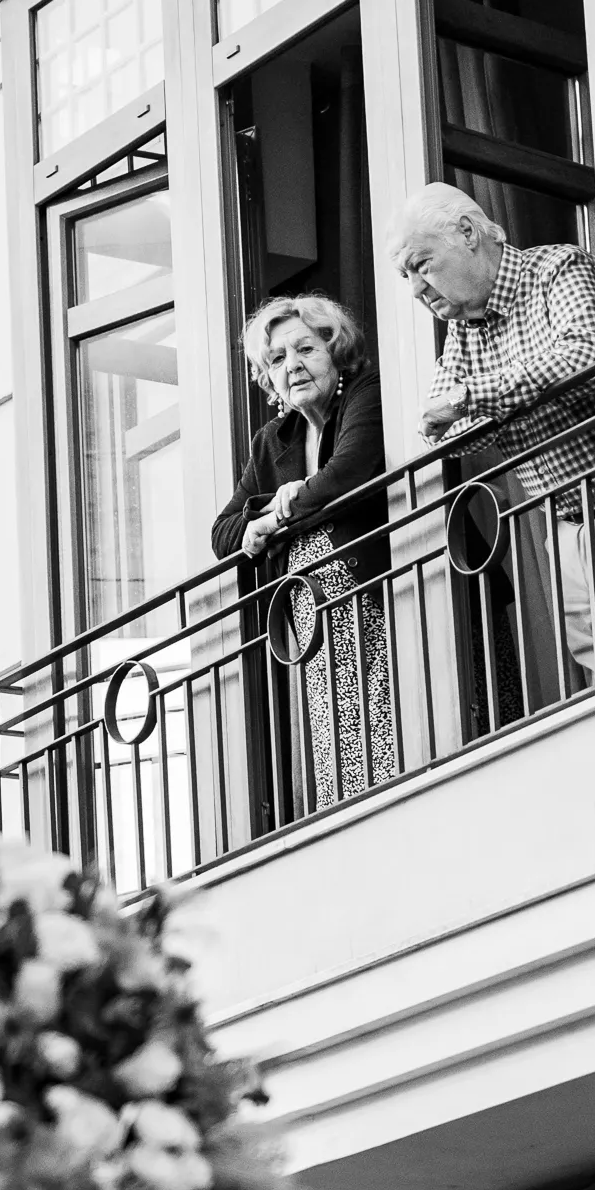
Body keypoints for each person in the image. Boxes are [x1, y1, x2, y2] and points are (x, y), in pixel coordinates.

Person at [391, 182, 595, 692]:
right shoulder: (464, 328)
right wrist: (476, 402)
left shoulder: (556, 269)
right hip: (564, 520)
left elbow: (585, 358)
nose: (416, 288)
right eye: (406, 276)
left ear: (468, 233)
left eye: (423, 265)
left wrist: (474, 397)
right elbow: (446, 435)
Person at [210, 293, 394, 812]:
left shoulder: (368, 392)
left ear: (336, 351)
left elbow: (349, 474)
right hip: (320, 628)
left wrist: (286, 514)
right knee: (343, 753)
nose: (292, 366)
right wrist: (271, 514)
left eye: (306, 349)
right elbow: (223, 535)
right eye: (276, 359)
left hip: (397, 600)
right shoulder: (275, 439)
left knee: (393, 736)